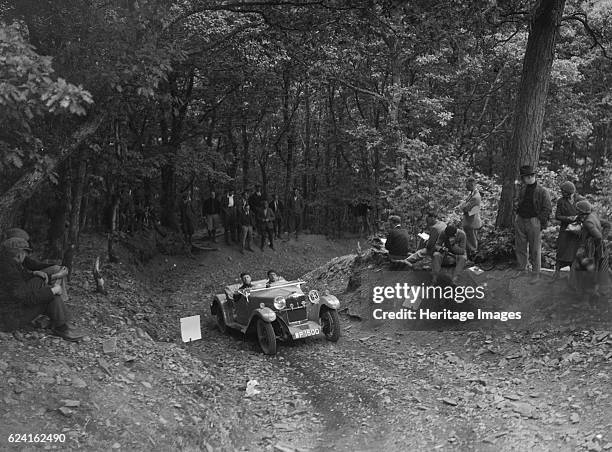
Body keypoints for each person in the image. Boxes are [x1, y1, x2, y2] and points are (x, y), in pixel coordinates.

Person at [0, 237, 83, 340]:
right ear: (19, 253)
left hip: (7, 311)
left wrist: (34, 274)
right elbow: (27, 299)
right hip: (9, 319)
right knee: (51, 297)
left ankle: (60, 320)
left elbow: (20, 282)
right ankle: (61, 327)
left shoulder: (7, 264)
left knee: (40, 281)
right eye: (25, 253)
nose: (25, 256)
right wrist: (52, 291)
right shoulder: (10, 271)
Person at [3, 228, 69, 302]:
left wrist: (56, 265)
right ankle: (55, 299)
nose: (24, 243)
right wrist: (56, 276)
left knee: (57, 269)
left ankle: (62, 300)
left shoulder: (18, 257)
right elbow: (21, 287)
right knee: (45, 279)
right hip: (24, 291)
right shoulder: (8, 262)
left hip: (29, 279)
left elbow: (35, 265)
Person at [513, 165, 552, 283]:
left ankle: (536, 273)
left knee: (535, 248)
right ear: (524, 178)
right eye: (527, 176)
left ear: (534, 176)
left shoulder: (542, 191)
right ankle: (522, 269)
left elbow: (547, 208)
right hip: (520, 219)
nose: (530, 178)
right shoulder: (523, 188)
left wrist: (539, 221)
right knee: (520, 245)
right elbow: (518, 201)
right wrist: (517, 214)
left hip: (534, 221)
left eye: (531, 175)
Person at [569, 201, 610, 301]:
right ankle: (593, 293)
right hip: (594, 250)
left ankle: (585, 301)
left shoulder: (588, 222)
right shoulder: (592, 215)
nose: (576, 212)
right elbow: (607, 224)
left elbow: (598, 236)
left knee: (585, 273)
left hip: (589, 251)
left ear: (581, 212)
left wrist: (594, 247)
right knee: (591, 271)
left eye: (578, 211)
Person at [551, 181, 584, 282]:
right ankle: (556, 274)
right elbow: (558, 216)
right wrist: (570, 218)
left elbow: (586, 212)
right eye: (562, 191)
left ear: (570, 192)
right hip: (565, 230)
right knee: (562, 250)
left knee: (574, 253)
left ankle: (572, 276)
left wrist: (579, 219)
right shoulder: (561, 201)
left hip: (576, 231)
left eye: (564, 192)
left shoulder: (579, 200)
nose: (562, 193)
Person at [459, 177, 482, 258]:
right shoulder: (471, 194)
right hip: (469, 222)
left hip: (471, 222)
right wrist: (463, 205)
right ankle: (470, 259)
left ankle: (473, 260)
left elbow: (465, 208)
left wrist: (463, 206)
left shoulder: (475, 197)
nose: (466, 187)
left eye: (467, 185)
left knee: (472, 243)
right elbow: (464, 206)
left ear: (472, 184)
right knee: (469, 242)